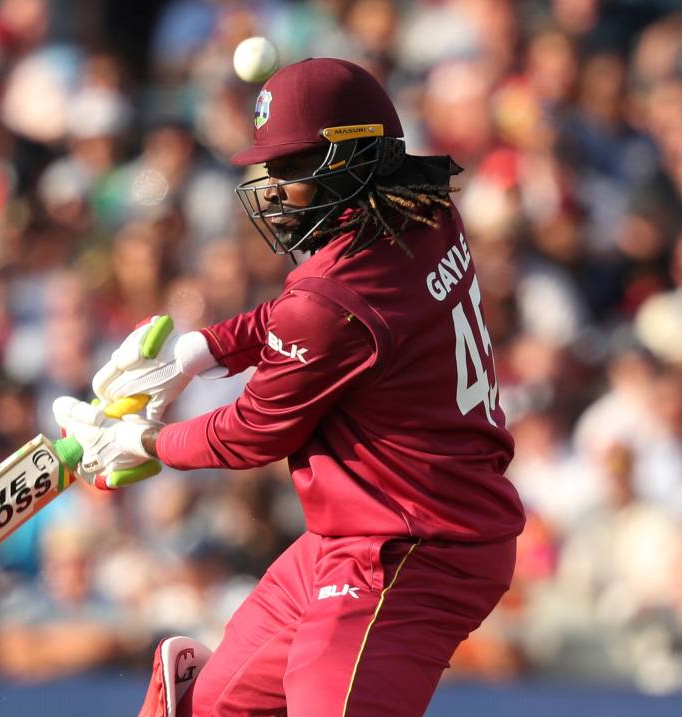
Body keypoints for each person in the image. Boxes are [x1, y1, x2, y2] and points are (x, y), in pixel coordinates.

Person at [54, 58, 526, 717]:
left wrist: (145, 441)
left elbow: (254, 429)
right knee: (218, 704)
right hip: (355, 535)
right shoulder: (423, 210)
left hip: (413, 551)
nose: (273, 190)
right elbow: (328, 319)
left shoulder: (335, 296)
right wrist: (198, 350)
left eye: (290, 169)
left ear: (351, 158)